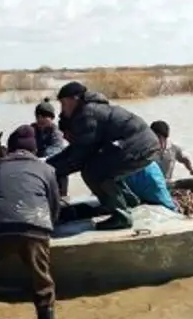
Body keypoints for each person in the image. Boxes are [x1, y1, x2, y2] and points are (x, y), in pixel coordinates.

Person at [0, 125, 59, 319]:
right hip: (34, 228)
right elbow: (53, 204)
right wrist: (49, 228)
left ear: (10, 149)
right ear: (34, 149)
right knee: (41, 277)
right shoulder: (47, 169)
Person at [47, 81, 160, 231]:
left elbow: (79, 156)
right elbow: (79, 149)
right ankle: (128, 202)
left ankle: (121, 215)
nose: (62, 108)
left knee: (94, 172)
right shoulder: (91, 109)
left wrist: (50, 169)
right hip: (144, 144)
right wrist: (51, 164)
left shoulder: (87, 114)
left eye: (63, 103)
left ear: (74, 99)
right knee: (103, 167)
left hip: (139, 146)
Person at [32, 98, 69, 196]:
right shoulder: (30, 130)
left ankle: (61, 197)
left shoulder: (56, 133)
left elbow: (53, 152)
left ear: (52, 118)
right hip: (33, 168)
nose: (40, 119)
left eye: (44, 116)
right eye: (38, 116)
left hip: (51, 168)